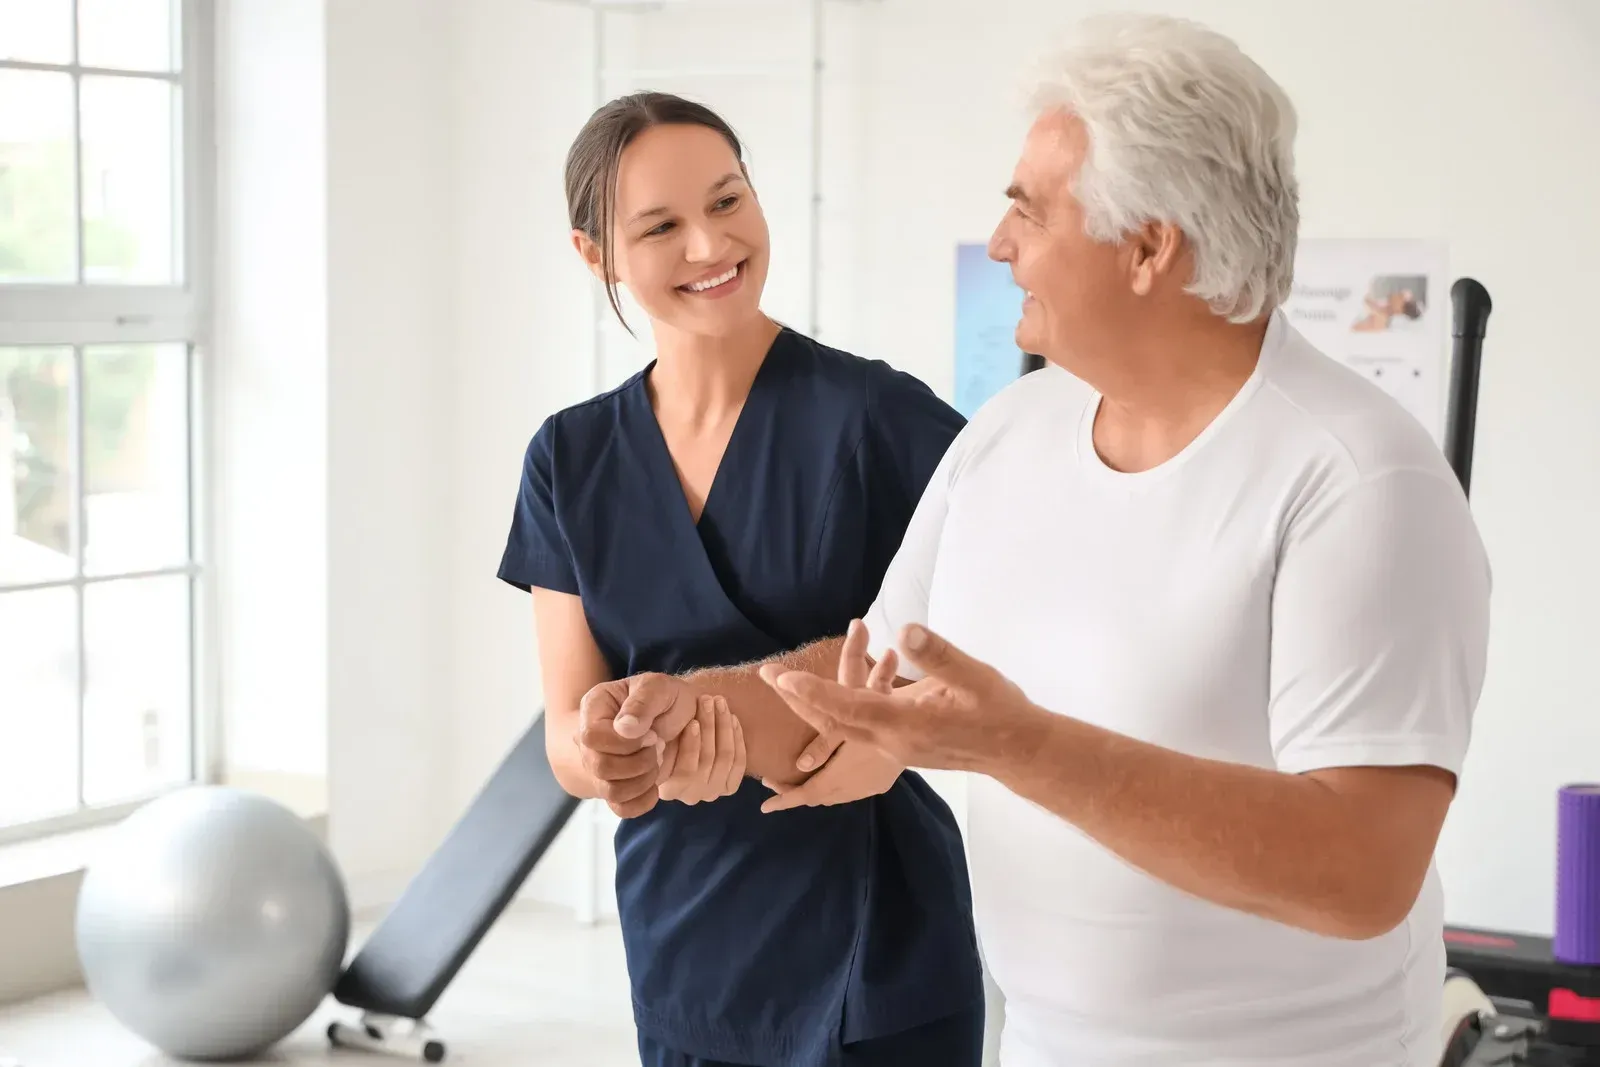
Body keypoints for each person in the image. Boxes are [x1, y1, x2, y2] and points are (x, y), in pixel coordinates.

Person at [608, 14, 1493, 1067]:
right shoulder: (1008, 436)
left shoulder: (1355, 479)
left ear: (1149, 246)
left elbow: (1362, 869)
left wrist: (1015, 742)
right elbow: (865, 705)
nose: (999, 242)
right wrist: (695, 713)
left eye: (1027, 209)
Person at [496, 92, 986, 1067]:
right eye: (661, 226)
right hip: (682, 939)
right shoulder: (569, 456)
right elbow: (564, 734)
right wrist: (610, 751)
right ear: (595, 254)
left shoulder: (877, 418)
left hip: (873, 932)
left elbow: (996, 626)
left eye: (727, 201)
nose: (709, 243)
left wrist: (879, 735)